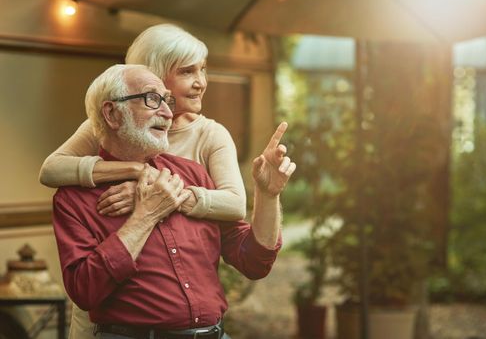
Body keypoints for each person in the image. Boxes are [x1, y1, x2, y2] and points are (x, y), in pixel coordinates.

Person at [52, 64, 295, 339]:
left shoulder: (193, 173)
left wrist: (268, 195)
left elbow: (254, 261)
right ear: (112, 114)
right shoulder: (73, 199)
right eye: (152, 99)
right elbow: (85, 290)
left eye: (166, 100)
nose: (168, 113)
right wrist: (145, 216)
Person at [39, 24, 250, 338]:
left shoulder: (209, 134)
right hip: (108, 321)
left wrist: (154, 194)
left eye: (203, 70)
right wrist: (136, 173)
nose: (201, 83)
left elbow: (235, 205)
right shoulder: (109, 121)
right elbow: (51, 170)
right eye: (188, 72)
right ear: (152, 76)